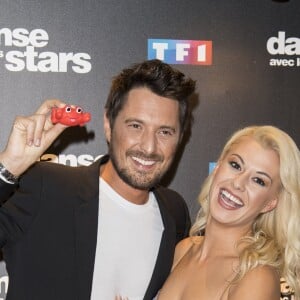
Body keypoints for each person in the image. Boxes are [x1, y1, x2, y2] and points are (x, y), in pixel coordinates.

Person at [0, 59, 196, 300]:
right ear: (108, 124)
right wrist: (8, 165)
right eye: (136, 126)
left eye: (165, 132)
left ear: (181, 137)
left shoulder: (174, 212)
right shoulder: (47, 187)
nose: (149, 146)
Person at [157, 125, 300, 300]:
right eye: (235, 165)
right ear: (217, 167)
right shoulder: (184, 250)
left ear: (269, 204)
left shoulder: (256, 277)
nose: (238, 183)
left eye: (258, 180)